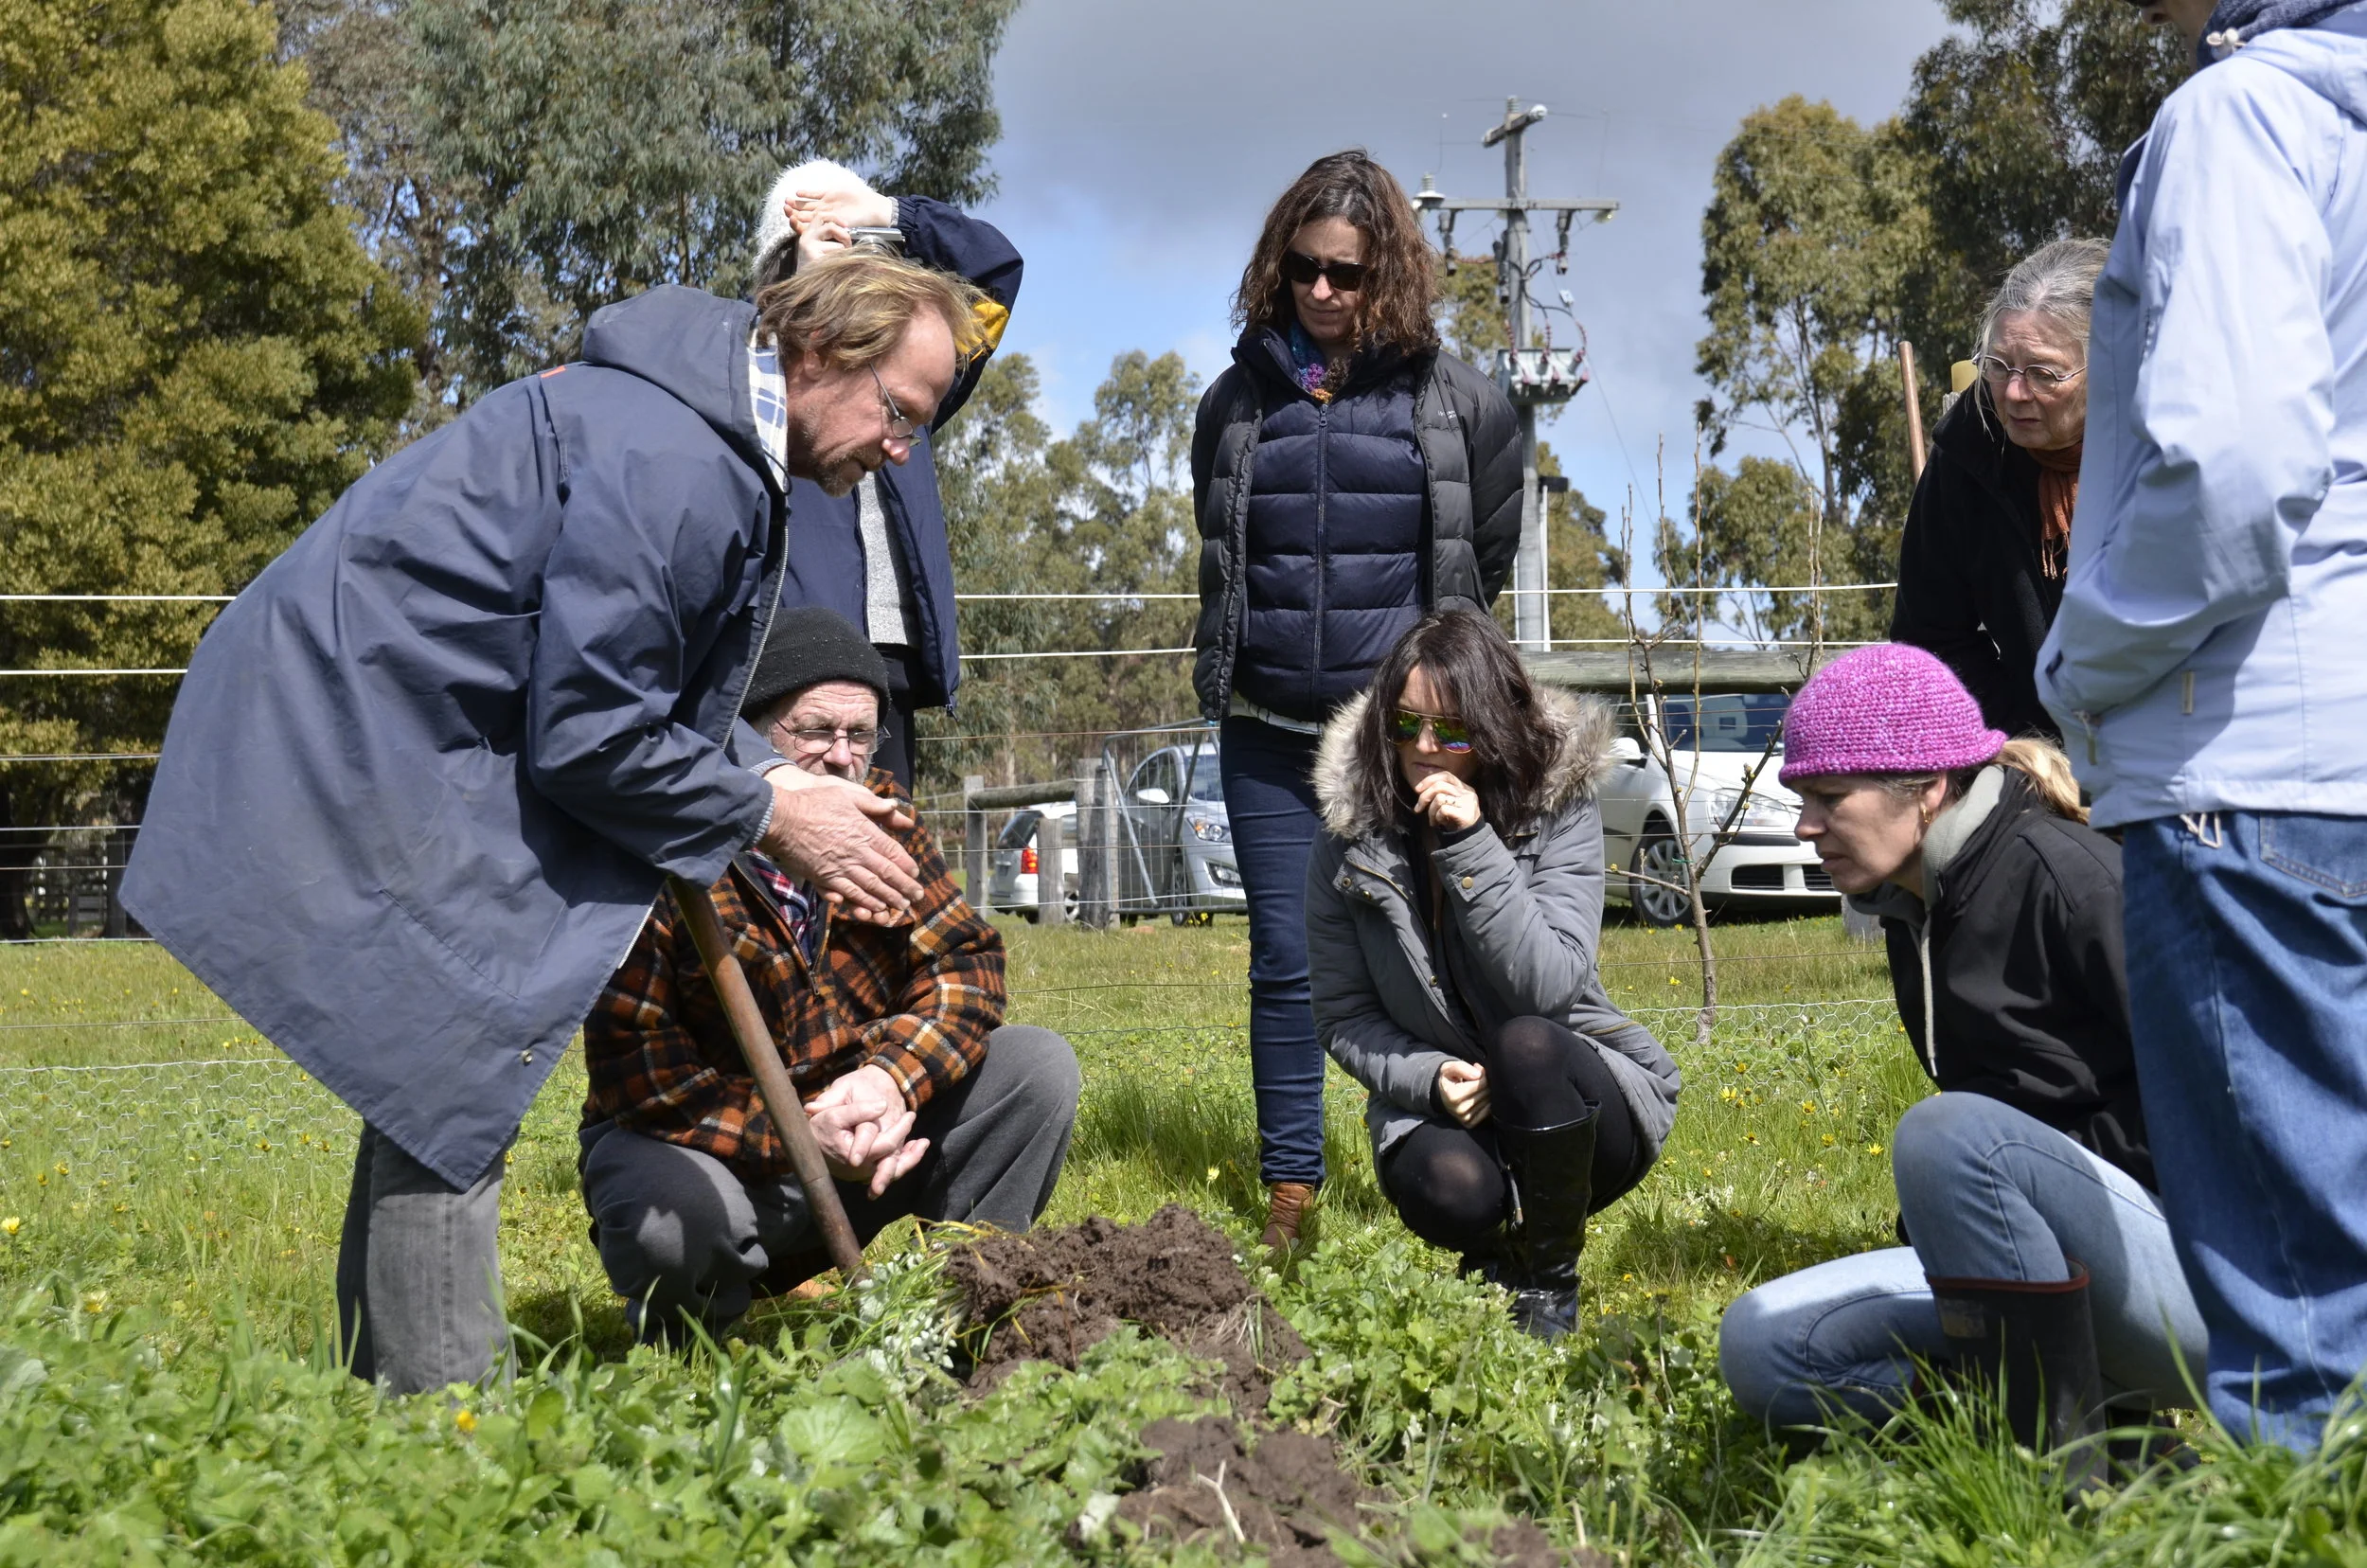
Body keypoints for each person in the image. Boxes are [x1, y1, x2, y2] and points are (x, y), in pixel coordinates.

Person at [120, 253, 989, 1394]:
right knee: (451, 1057)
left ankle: (376, 1397)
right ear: (824, 354)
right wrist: (768, 814)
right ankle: (448, 1432)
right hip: (361, 721)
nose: (899, 449)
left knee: (428, 1067)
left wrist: (767, 785)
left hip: (394, 717)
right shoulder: (679, 459)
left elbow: (639, 694)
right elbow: (593, 731)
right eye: (901, 412)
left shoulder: (694, 438)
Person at [2035, 0, 2367, 1451]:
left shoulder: (2239, 117)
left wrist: (2088, 647)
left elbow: (2233, 472)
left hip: (2247, 763)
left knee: (2299, 1330)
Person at [1719, 644, 2204, 1463]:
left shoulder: (2076, 884)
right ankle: (2101, 1440)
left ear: (1929, 788)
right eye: (1801, 799)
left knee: (1945, 1135)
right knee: (1762, 1344)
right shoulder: (1915, 908)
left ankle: (2061, 1467)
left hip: (2194, 1289)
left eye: (1830, 797)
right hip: (2042, 1285)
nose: (1806, 826)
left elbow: (2219, 1103)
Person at [578, 608, 1078, 1343]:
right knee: (664, 1208)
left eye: (861, 733)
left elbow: (965, 965)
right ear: (753, 738)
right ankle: (696, 1357)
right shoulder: (669, 857)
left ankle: (960, 1308)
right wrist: (804, 1139)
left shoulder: (883, 819)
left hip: (871, 1145)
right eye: (815, 731)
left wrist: (889, 1082)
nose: (844, 758)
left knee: (1036, 1068)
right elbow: (645, 1079)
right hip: (725, 1162)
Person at [1190, 151, 1522, 1249]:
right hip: (1267, 732)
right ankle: (1292, 1192)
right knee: (1286, 962)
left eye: (1347, 274)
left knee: (1438, 954)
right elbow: (1223, 555)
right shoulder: (1234, 405)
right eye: (1304, 272)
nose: (1323, 294)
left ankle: (1477, 1164)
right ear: (1276, 269)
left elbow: (1484, 556)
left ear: (1388, 279)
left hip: (1398, 746)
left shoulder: (1459, 405)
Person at [1304, 611, 1678, 1337]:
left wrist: (1473, 844)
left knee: (1525, 1044)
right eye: (1403, 725)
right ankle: (1494, 1261)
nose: (1422, 748)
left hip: (1571, 1092)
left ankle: (1550, 1284)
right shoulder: (1348, 837)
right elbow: (1342, 1015)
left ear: (1493, 727)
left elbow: (1549, 987)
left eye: (1449, 731)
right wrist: (1427, 1080)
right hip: (1448, 1104)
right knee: (1450, 1190)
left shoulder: (1557, 805)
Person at [750, 161, 1024, 790]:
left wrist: (887, 212)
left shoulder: (916, 374)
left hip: (887, 678)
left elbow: (992, 275)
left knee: (883, 872)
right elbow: (757, 351)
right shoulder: (764, 385)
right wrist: (810, 286)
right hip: (789, 679)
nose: (895, 439)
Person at [1890, 240, 2110, 742]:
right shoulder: (1968, 454)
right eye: (1999, 365)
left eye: (2043, 373)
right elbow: (1931, 639)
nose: (2014, 393)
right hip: (2036, 757)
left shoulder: (2173, 447)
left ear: (2111, 365)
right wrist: (2031, 741)